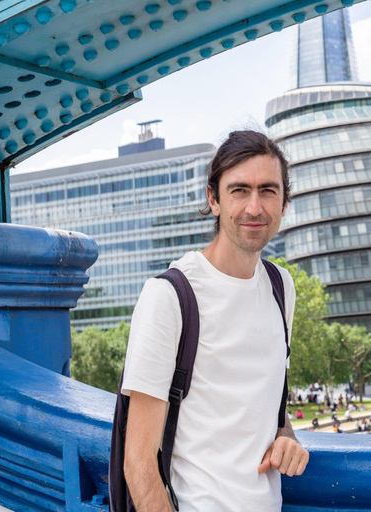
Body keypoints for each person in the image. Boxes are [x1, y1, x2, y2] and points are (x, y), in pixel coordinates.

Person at [121, 131, 309, 511]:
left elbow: (267, 410)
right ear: (214, 198)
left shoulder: (280, 286)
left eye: (268, 191)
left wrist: (288, 439)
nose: (255, 207)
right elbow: (138, 463)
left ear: (285, 201)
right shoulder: (171, 296)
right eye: (239, 190)